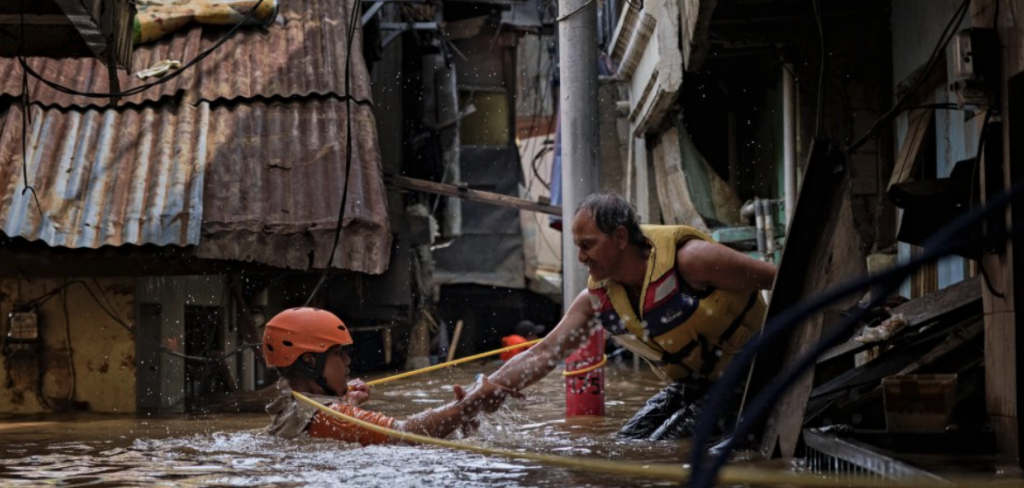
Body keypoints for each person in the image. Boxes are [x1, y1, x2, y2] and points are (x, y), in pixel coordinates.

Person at [480, 191, 776, 440]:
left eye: (588, 245)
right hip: (697, 384)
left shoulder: (694, 260)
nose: (581, 257)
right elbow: (542, 353)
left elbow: (785, 280)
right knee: (628, 442)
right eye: (578, 247)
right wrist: (483, 392)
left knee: (660, 450)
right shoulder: (596, 300)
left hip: (753, 374)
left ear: (620, 236)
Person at [263, 307, 516, 445]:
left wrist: (347, 405)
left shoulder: (292, 406)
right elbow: (405, 434)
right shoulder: (327, 416)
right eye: (339, 353)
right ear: (310, 362)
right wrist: (467, 405)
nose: (348, 361)